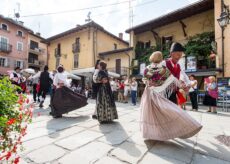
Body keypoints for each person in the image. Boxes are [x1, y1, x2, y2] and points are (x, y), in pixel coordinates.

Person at [140, 51, 202, 141]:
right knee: (167, 111)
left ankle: (150, 133)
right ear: (161, 59)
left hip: (149, 93)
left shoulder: (147, 69)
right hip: (160, 94)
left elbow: (144, 79)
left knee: (150, 114)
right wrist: (183, 86)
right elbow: (173, 79)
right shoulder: (164, 69)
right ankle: (179, 127)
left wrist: (149, 83)